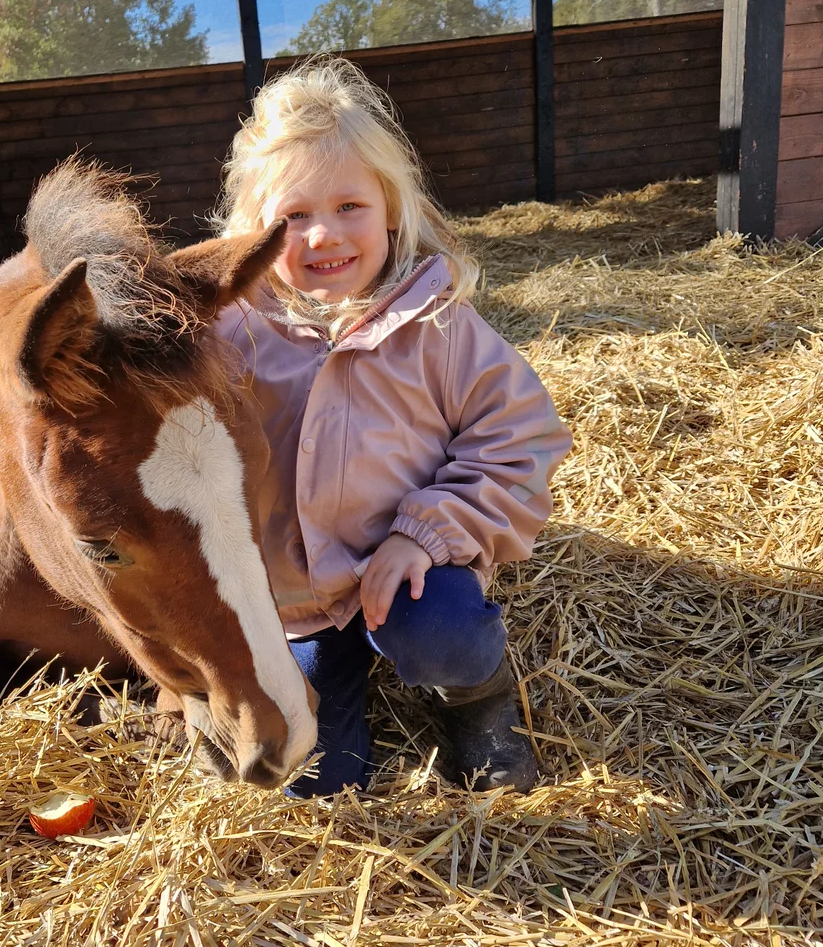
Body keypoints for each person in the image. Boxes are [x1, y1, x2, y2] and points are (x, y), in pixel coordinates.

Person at [213, 58, 571, 798]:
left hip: (409, 572)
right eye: (292, 217)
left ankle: (478, 701)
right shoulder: (227, 335)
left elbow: (521, 437)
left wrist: (426, 532)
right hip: (295, 606)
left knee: (440, 636)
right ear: (251, 232)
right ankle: (335, 679)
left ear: (391, 211)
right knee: (319, 785)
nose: (323, 236)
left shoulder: (436, 326)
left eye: (350, 206)